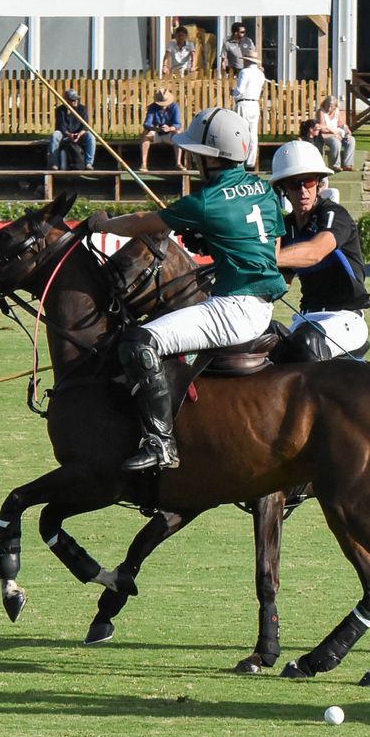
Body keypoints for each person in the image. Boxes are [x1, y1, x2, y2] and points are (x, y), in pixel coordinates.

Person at [90, 107, 286, 471]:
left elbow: (142, 223)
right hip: (263, 305)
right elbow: (270, 252)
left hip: (234, 310)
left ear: (212, 159)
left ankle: (160, 442)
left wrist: (103, 223)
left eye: (197, 154)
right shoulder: (264, 190)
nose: (192, 159)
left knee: (140, 342)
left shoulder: (206, 201)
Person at [269, 139, 370, 361]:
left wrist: (266, 257)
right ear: (283, 190)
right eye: (294, 184)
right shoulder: (286, 228)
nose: (303, 190)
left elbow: (315, 251)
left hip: (345, 319)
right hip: (305, 319)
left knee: (307, 344)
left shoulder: (335, 215)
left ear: (318, 183)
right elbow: (279, 284)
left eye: (308, 181)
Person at [48, 89, 94, 170]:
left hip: (80, 134)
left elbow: (85, 126)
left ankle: (89, 163)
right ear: (66, 100)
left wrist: (79, 134)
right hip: (65, 133)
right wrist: (69, 135)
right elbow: (61, 126)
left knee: (91, 137)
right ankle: (54, 163)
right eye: (72, 99)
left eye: (76, 99)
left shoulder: (82, 109)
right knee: (55, 135)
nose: (75, 101)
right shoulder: (60, 110)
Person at [232, 54, 266, 164]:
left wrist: (233, 93)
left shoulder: (244, 72)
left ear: (247, 61)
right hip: (255, 104)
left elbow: (240, 90)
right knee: (253, 134)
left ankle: (240, 159)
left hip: (244, 103)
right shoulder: (261, 74)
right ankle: (251, 161)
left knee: (241, 131)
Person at [139, 89, 183, 172]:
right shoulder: (152, 107)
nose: (163, 106)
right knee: (145, 135)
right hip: (156, 133)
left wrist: (169, 128)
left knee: (179, 133)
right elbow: (147, 123)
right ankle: (144, 164)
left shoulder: (175, 107)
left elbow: (178, 124)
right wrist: (155, 128)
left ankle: (178, 163)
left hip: (170, 135)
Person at [313, 95, 355, 171]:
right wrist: (335, 134)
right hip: (325, 135)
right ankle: (335, 165)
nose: (328, 108)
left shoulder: (337, 112)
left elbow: (341, 124)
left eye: (331, 106)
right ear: (325, 104)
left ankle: (347, 164)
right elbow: (323, 128)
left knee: (351, 140)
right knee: (336, 142)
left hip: (337, 134)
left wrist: (347, 130)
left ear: (335, 106)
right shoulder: (321, 112)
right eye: (327, 105)